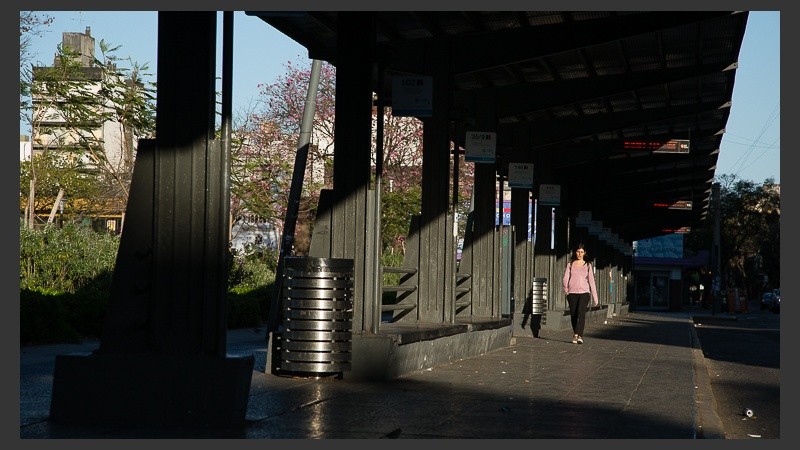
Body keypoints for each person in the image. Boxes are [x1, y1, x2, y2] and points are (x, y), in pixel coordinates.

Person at [562, 243, 598, 344]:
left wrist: (595, 297)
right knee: (573, 314)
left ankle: (579, 335)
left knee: (580, 313)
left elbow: (591, 281)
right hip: (572, 293)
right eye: (578, 251)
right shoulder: (570, 264)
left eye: (582, 252)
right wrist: (566, 289)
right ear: (575, 252)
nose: (579, 254)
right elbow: (565, 278)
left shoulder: (587, 265)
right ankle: (575, 334)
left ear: (584, 253)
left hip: (584, 292)